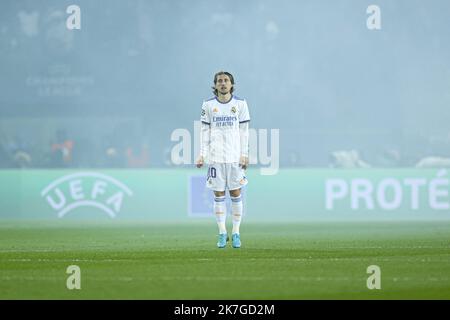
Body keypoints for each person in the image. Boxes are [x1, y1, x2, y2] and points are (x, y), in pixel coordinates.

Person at [196, 71, 250, 249]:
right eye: (220, 81)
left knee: (235, 193)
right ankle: (221, 232)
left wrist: (245, 154)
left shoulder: (240, 104)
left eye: (226, 81)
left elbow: (244, 132)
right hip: (216, 158)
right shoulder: (208, 105)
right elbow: (205, 131)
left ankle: (235, 232)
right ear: (215, 85)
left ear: (232, 84)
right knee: (218, 194)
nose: (223, 83)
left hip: (235, 157)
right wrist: (202, 154)